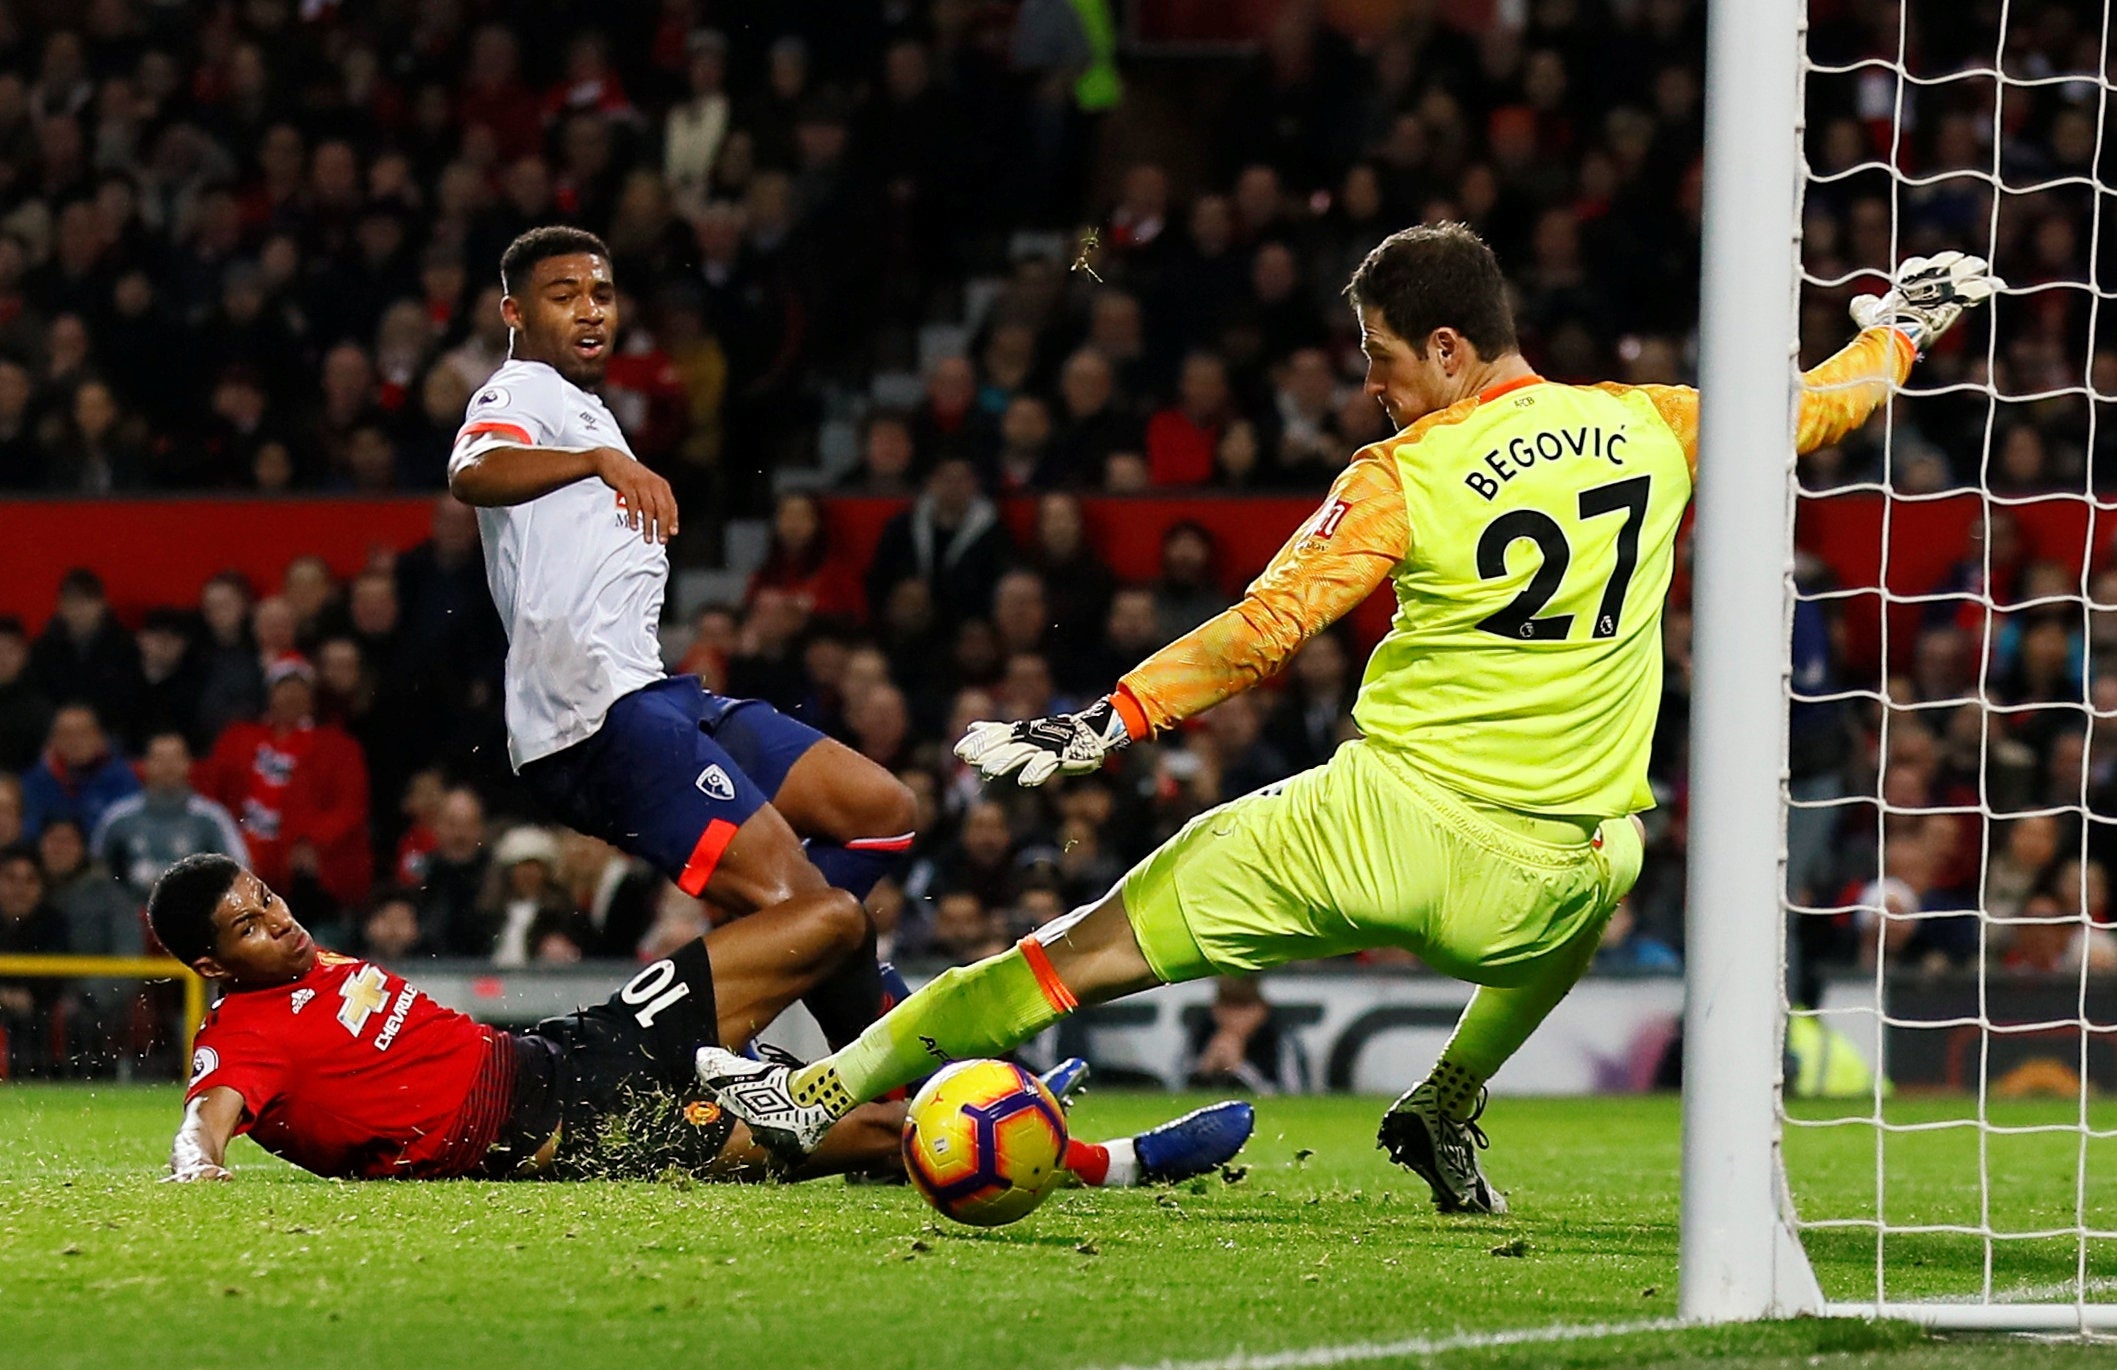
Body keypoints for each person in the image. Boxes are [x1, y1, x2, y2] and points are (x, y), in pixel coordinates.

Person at [698, 227, 1998, 1214]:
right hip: (1544, 880)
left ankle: (808, 1094)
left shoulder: (1403, 473)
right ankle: (1443, 1104)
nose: (1373, 390)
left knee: (1065, 958)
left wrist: (1107, 717)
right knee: (1622, 845)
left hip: (1369, 829)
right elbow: (1817, 408)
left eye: (1379, 359)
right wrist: (1904, 329)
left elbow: (1266, 627)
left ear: (1444, 349)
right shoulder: (1645, 424)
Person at [444, 227, 917, 1053]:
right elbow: (471, 472)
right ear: (514, 312)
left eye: (601, 294)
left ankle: (765, 993)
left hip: (655, 692)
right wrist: (598, 462)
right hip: (593, 715)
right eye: (564, 296)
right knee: (812, 910)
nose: (591, 312)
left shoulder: (586, 408)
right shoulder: (520, 391)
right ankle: (870, 1086)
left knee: (881, 811)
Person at [152, 853, 1250, 1187]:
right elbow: (211, 1111)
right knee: (889, 1140)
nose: (281, 924)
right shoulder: (240, 1032)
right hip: (574, 1138)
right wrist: (195, 1161)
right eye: (250, 928)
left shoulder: (302, 960)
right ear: (213, 963)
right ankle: (1115, 1161)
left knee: (828, 916)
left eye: (271, 898)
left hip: (576, 1045)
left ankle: (913, 1064)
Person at [92, 731, 248, 904]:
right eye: (159, 758)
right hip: (130, 918)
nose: (168, 766)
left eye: (175, 758)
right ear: (144, 764)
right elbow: (97, 872)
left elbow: (240, 873)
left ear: (189, 763)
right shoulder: (118, 817)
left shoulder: (212, 817)